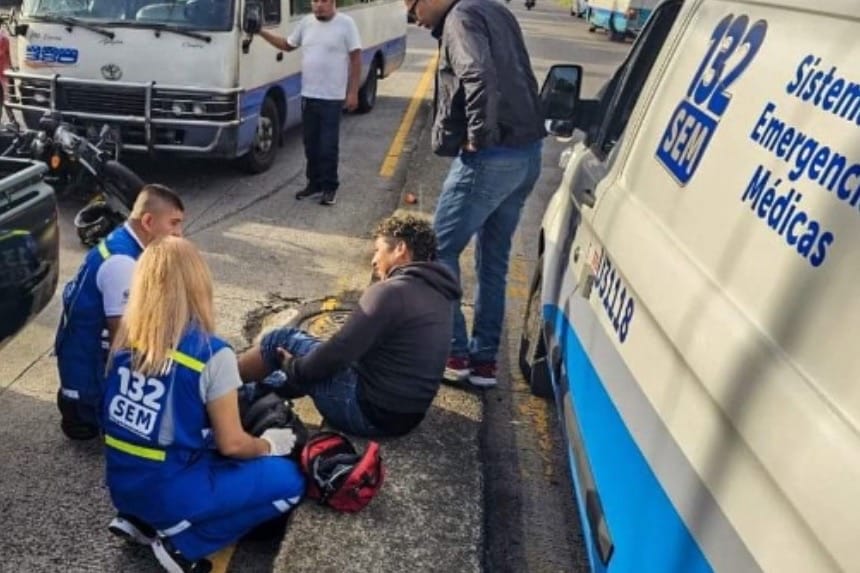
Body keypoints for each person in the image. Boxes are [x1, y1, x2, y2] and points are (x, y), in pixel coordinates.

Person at [102, 236, 305, 573]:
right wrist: (269, 445)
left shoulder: (125, 341)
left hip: (123, 487)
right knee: (290, 480)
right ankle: (185, 545)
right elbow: (233, 444)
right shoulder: (210, 353)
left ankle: (140, 520)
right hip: (171, 491)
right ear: (198, 284)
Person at [409, 0, 546, 388]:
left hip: (492, 156)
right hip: (526, 153)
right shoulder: (494, 9)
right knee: (493, 261)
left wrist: (478, 137)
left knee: (436, 251)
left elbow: (478, 74)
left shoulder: (460, 18)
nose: (413, 19)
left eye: (411, 7)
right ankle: (484, 362)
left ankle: (454, 354)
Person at [237, 215, 461, 437]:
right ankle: (251, 393)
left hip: (368, 414)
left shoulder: (390, 292)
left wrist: (293, 367)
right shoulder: (440, 294)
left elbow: (339, 352)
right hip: (406, 417)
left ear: (400, 248)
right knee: (311, 360)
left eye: (378, 250)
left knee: (282, 340)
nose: (374, 260)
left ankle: (223, 383)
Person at [54, 184, 185, 441]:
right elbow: (124, 343)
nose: (180, 232)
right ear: (148, 221)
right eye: (174, 223)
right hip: (90, 391)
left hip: (82, 372)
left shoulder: (122, 242)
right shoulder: (122, 264)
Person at [258, 0, 361, 206]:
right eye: (315, 1)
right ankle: (314, 184)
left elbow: (356, 59)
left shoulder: (346, 24)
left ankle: (329, 187)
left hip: (332, 98)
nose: (318, 5)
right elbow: (286, 45)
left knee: (328, 146)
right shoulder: (306, 23)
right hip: (309, 95)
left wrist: (353, 92)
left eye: (323, 1)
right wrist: (261, 32)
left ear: (333, 2)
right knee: (310, 145)